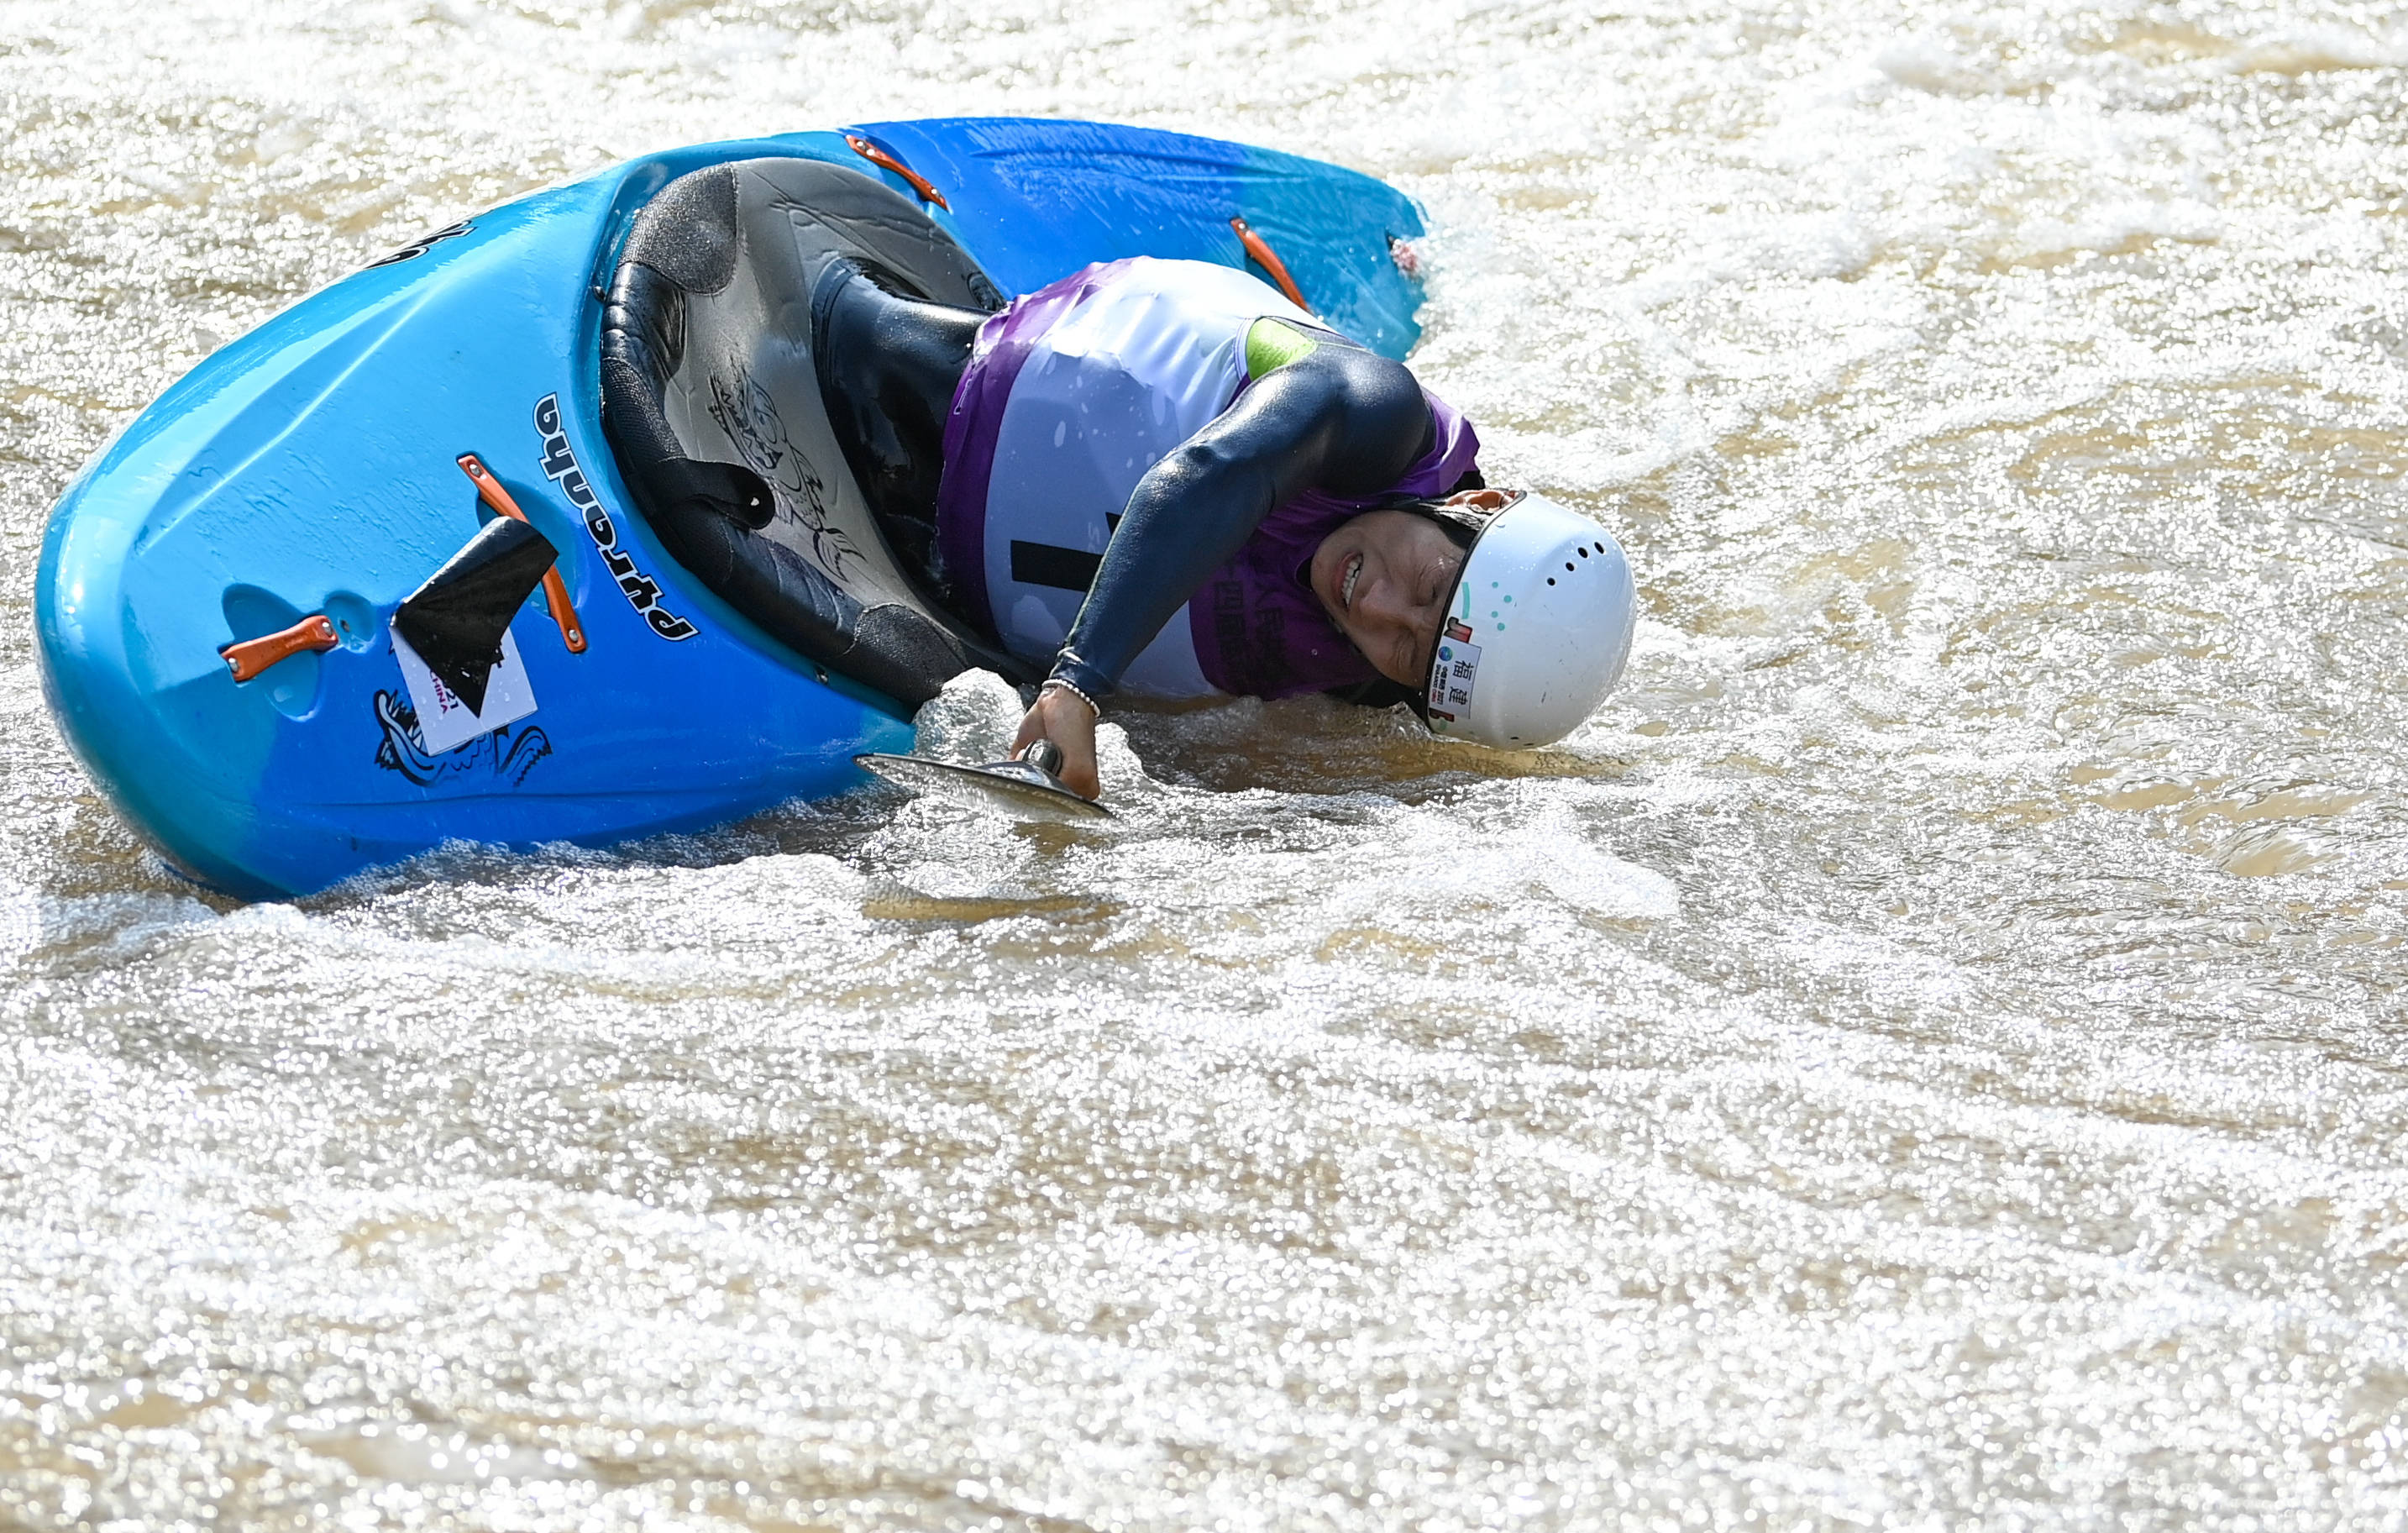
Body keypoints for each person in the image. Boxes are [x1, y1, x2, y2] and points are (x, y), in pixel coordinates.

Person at [813, 254, 1639, 799]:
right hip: (946, 390)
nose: (1382, 610)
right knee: (828, 333)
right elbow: (1212, 476)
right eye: (1428, 587)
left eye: (1412, 652)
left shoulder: (1363, 677)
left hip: (945, 578)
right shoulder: (1373, 416)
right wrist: (1075, 686)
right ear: (1475, 508)